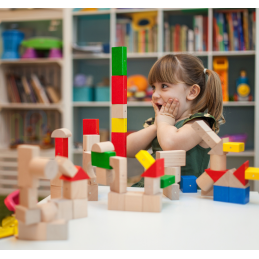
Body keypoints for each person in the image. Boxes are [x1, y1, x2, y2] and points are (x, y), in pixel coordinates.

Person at [127, 54, 225, 187]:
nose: (155, 95)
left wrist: (163, 122)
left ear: (192, 92)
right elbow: (126, 149)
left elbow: (171, 144)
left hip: (184, 196)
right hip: (152, 189)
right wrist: (156, 126)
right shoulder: (160, 123)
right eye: (153, 87)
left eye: (164, 86)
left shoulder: (200, 123)